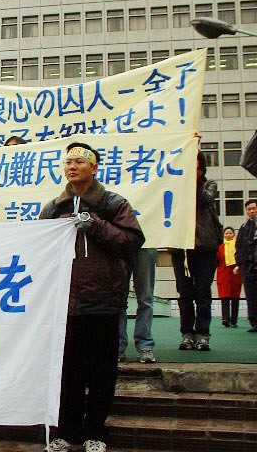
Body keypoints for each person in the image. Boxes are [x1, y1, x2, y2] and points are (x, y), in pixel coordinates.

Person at [39, 142, 145, 452]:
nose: (72, 167)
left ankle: (95, 432)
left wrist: (96, 225)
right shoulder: (53, 207)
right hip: (65, 303)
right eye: (68, 162)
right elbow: (38, 247)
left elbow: (132, 241)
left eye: (79, 162)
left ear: (94, 168)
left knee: (101, 373)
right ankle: (67, 432)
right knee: (67, 373)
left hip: (103, 299)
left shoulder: (113, 204)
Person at [170, 151, 222, 351]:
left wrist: (193, 180)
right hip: (180, 248)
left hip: (205, 247)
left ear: (202, 168)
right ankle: (187, 334)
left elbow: (204, 200)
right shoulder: (174, 185)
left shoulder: (209, 185)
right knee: (184, 294)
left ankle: (202, 334)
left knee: (203, 292)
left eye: (196, 166)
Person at [118, 248, 158, 363]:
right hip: (119, 244)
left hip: (146, 244)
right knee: (118, 300)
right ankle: (118, 345)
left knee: (146, 299)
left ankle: (145, 345)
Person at [234, 199, 257, 332]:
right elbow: (238, 246)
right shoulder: (244, 227)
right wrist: (238, 263)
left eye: (254, 208)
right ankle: (254, 322)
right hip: (247, 266)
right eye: (249, 209)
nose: (252, 211)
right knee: (251, 295)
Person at [217, 227, 242, 328]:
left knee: (235, 298)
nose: (228, 235)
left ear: (234, 235)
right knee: (225, 297)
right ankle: (225, 318)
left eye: (230, 233)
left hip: (236, 274)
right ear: (224, 235)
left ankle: (234, 321)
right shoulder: (220, 247)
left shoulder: (238, 247)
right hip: (223, 274)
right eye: (226, 233)